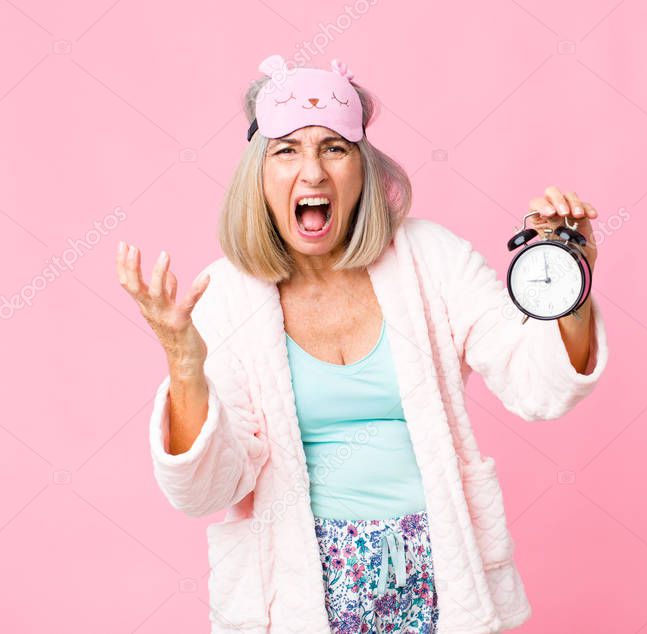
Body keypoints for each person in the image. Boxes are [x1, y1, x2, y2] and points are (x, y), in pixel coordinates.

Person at [115, 53, 609, 634]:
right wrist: (184, 362)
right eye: (287, 150)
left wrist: (568, 280)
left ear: (363, 167)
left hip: (436, 569)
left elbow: (538, 387)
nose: (313, 173)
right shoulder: (223, 295)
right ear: (258, 175)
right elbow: (207, 489)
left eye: (334, 147)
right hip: (302, 585)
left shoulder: (432, 260)